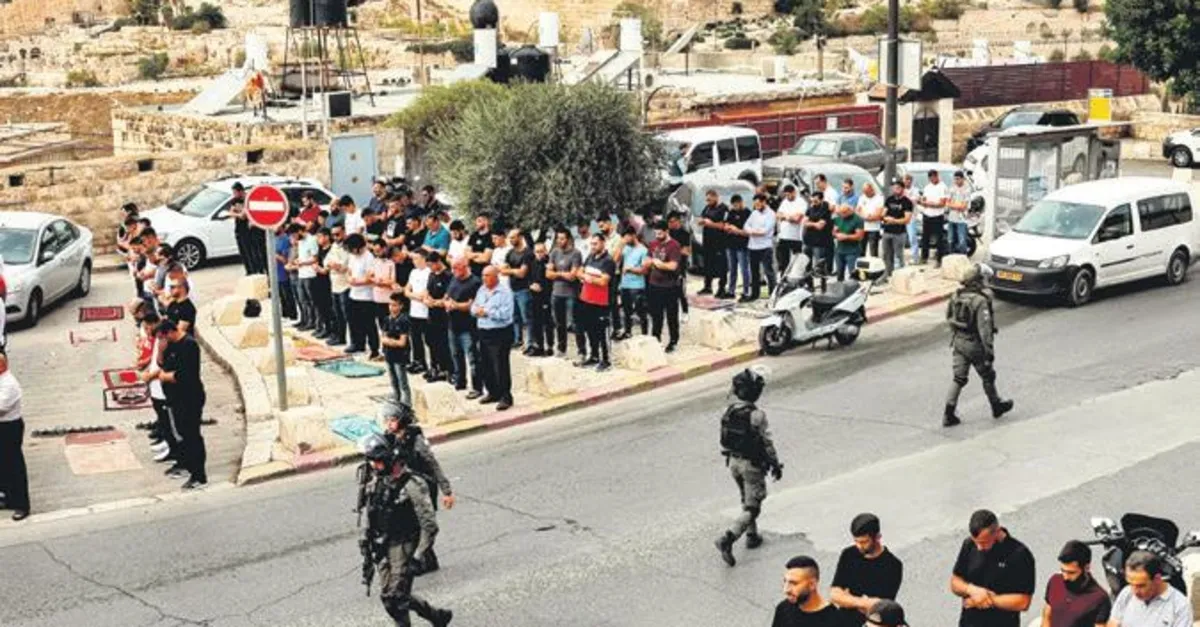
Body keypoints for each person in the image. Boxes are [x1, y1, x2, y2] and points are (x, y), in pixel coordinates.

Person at [357, 435, 454, 627]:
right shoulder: (377, 481)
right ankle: (436, 616)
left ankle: (431, 617)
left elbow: (429, 525)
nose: (373, 466)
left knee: (396, 598)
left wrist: (419, 555)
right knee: (389, 597)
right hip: (383, 544)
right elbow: (370, 512)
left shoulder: (411, 484)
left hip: (404, 544)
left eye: (377, 461)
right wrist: (366, 542)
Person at [715, 367, 783, 567]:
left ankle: (752, 535)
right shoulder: (757, 415)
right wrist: (775, 463)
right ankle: (728, 538)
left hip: (733, 463)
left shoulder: (727, 411)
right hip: (751, 466)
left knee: (745, 498)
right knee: (753, 507)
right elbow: (767, 443)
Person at [380, 402, 456, 573]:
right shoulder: (390, 438)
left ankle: (420, 558)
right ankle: (428, 560)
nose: (389, 424)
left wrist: (447, 491)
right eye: (386, 420)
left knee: (425, 523)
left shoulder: (416, 439)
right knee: (413, 524)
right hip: (406, 488)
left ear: (401, 420)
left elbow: (433, 464)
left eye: (392, 420)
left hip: (424, 487)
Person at [944, 263, 1014, 427]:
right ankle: (996, 405)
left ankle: (948, 413)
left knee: (959, 378)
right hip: (975, 345)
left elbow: (948, 317)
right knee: (988, 375)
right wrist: (989, 352)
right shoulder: (980, 301)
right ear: (977, 281)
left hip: (958, 342)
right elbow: (985, 330)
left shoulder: (956, 296)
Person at [950, 509, 1036, 627]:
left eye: (984, 542)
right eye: (976, 542)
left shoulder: (1020, 554)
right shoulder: (969, 544)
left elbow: (1023, 602)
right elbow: (955, 582)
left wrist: (986, 600)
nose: (979, 547)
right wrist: (972, 590)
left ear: (997, 532)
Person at [154, 320, 208, 490]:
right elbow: (163, 364)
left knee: (192, 435)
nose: (162, 341)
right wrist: (160, 350)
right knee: (182, 433)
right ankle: (188, 466)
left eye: (163, 338)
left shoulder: (189, 345)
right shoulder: (170, 345)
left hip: (189, 398)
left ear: (170, 332)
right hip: (175, 399)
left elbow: (187, 375)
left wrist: (166, 377)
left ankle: (199, 475)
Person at [830, 513, 904, 624]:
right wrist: (864, 602)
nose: (859, 546)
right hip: (843, 621)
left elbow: (880, 609)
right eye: (856, 541)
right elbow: (834, 595)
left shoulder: (893, 565)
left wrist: (847, 599)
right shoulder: (849, 554)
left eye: (864, 542)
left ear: (878, 537)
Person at [1107, 551, 1191, 627]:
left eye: (1141, 586)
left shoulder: (1180, 606)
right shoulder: (1126, 593)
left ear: (1157, 579)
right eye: (1131, 584)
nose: (1135, 591)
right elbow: (1113, 623)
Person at [1041, 540, 1111, 627]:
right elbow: (1047, 615)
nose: (1065, 577)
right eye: (1063, 571)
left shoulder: (1100, 598)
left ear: (1086, 568)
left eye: (1071, 573)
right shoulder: (1055, 581)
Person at [473, 266, 515, 410]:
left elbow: (506, 314)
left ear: (496, 277)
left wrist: (486, 312)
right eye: (483, 275)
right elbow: (474, 307)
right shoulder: (481, 290)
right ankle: (492, 392)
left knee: (500, 365)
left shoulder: (505, 292)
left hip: (500, 332)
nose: (484, 278)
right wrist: (477, 311)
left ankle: (505, 396)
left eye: (487, 275)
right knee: (485, 364)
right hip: (483, 331)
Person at [772, 555, 856, 627]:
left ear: (812, 584)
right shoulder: (783, 608)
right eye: (785, 581)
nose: (786, 590)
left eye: (794, 583)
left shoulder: (835, 620)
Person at [444, 258, 484, 399]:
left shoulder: (475, 282)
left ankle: (477, 387)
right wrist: (447, 303)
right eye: (452, 268)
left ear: (465, 266)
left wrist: (456, 305)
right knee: (456, 355)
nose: (453, 270)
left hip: (468, 326)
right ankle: (460, 381)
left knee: (473, 358)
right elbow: (447, 295)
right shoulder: (454, 279)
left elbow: (472, 305)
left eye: (456, 267)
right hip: (453, 324)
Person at [576, 233, 615, 371]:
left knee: (601, 331)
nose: (592, 246)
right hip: (586, 299)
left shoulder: (608, 261)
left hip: (601, 301)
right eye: (591, 244)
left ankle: (606, 360)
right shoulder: (590, 257)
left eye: (595, 243)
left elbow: (604, 281)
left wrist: (589, 278)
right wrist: (587, 276)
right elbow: (578, 272)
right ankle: (594, 356)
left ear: (603, 243)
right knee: (590, 329)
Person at [547, 228, 584, 358]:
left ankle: (581, 351)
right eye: (558, 238)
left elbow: (572, 276)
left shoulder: (576, 253)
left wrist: (556, 273)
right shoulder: (554, 253)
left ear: (568, 239)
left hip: (571, 293)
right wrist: (563, 274)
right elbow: (548, 274)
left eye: (562, 238)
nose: (559, 241)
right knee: (559, 323)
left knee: (575, 323)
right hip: (556, 293)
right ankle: (561, 349)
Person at [0, 353, 29, 521]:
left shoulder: (9, 384)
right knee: (3, 465)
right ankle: (9, 497)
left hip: (9, 427)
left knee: (14, 465)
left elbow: (1, 407)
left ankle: (22, 504)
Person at [647, 220, 683, 353]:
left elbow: (673, 266)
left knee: (671, 316)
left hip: (670, 286)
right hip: (654, 284)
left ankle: (673, 341)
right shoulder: (653, 244)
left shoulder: (674, 245)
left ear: (667, 231)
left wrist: (658, 264)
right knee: (656, 315)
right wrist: (650, 263)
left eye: (660, 233)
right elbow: (647, 260)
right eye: (656, 233)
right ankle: (655, 339)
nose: (657, 236)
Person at [346, 234, 381, 358]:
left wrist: (357, 282)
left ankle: (374, 349)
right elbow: (349, 270)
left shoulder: (368, 257)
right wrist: (349, 279)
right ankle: (357, 344)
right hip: (353, 294)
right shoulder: (352, 256)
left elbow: (370, 277)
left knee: (368, 324)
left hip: (366, 296)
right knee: (354, 322)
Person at [422, 252, 453, 383]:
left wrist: (435, 303)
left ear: (438, 262)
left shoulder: (448, 276)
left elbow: (448, 296)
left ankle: (448, 370)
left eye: (431, 265)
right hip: (431, 314)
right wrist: (426, 299)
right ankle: (435, 367)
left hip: (443, 316)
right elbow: (427, 291)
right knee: (432, 342)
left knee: (443, 343)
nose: (430, 268)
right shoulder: (432, 275)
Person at [502, 228, 534, 348]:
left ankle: (530, 343)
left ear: (520, 237)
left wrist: (510, 271)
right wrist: (514, 271)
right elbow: (503, 270)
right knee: (515, 317)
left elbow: (522, 273)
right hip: (512, 288)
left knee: (527, 318)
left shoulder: (527, 253)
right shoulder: (510, 253)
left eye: (513, 237)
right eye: (509, 238)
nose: (510, 240)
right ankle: (517, 340)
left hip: (524, 289)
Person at [616, 226, 649, 339]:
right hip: (624, 284)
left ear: (633, 235)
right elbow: (616, 260)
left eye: (627, 237)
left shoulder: (643, 250)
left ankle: (644, 334)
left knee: (641, 311)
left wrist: (630, 269)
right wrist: (620, 246)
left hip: (637, 286)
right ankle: (627, 332)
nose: (625, 240)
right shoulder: (625, 248)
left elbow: (644, 270)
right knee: (626, 311)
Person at [380, 293, 412, 405]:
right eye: (390, 305)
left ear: (400, 306)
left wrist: (390, 341)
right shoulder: (387, 319)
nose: (391, 308)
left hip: (400, 355)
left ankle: (406, 404)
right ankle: (397, 401)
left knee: (402, 381)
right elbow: (383, 338)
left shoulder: (403, 320)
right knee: (393, 381)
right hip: (388, 354)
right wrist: (391, 342)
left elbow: (402, 342)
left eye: (394, 305)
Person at [697, 190, 729, 298]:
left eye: (710, 199)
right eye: (707, 200)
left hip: (719, 241)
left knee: (721, 265)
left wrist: (711, 224)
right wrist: (701, 221)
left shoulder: (723, 208)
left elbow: (724, 225)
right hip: (707, 241)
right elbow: (702, 217)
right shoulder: (707, 208)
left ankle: (722, 288)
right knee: (708, 264)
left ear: (716, 197)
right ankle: (707, 286)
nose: (708, 202)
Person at [405, 249, 432, 375]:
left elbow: (425, 293)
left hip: (425, 312)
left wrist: (413, 295)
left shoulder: (429, 272)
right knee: (415, 339)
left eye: (416, 258)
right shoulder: (413, 272)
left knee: (429, 340)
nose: (413, 261)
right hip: (414, 310)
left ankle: (433, 365)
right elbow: (407, 290)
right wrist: (413, 295)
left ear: (423, 258)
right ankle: (419, 362)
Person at [881, 180, 914, 280]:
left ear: (902, 189)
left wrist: (894, 220)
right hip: (887, 231)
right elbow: (883, 213)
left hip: (899, 233)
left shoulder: (907, 202)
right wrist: (885, 218)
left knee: (899, 255)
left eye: (897, 188)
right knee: (886, 255)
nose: (895, 190)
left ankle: (901, 276)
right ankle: (887, 274)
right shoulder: (889, 199)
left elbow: (907, 219)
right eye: (894, 188)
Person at [323, 225, 351, 346]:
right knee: (337, 313)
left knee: (347, 315)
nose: (335, 237)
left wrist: (335, 265)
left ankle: (352, 341)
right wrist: (332, 265)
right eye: (333, 235)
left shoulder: (347, 246)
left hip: (345, 284)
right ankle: (340, 337)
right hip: (334, 283)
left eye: (338, 234)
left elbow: (344, 265)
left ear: (344, 232)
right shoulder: (334, 246)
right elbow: (326, 261)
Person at [527, 241, 553, 356]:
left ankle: (550, 346)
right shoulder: (532, 263)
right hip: (534, 296)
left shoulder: (549, 263)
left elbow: (550, 280)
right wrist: (531, 285)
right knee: (536, 322)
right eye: (537, 252)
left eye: (541, 251)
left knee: (547, 322)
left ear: (545, 251)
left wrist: (542, 287)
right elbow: (528, 278)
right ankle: (539, 346)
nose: (539, 254)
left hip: (546, 296)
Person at [292, 223, 320, 331]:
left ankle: (314, 322)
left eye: (294, 235)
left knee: (312, 301)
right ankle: (305, 320)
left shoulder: (311, 240)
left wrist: (303, 263)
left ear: (300, 231)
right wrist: (298, 261)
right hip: (301, 273)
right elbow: (303, 256)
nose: (294, 238)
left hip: (310, 274)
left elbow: (315, 258)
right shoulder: (300, 242)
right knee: (303, 300)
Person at [918, 170, 948, 267]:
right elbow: (923, 200)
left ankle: (939, 259)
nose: (932, 179)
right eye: (930, 177)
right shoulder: (927, 187)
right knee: (925, 238)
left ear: (937, 176)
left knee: (939, 239)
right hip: (927, 215)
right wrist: (923, 202)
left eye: (934, 177)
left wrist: (930, 204)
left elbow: (942, 203)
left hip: (938, 216)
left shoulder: (943, 187)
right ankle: (924, 257)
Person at [776, 185, 807, 275]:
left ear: (794, 192)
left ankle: (798, 278)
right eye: (786, 195)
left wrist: (784, 217)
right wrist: (789, 217)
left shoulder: (801, 202)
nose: (787, 197)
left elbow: (797, 219)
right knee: (783, 261)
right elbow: (778, 215)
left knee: (797, 261)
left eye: (789, 195)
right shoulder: (785, 202)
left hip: (795, 236)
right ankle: (784, 277)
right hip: (783, 235)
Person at [725, 195, 752, 300]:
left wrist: (736, 229)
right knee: (732, 269)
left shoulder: (747, 213)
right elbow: (727, 223)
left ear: (741, 202)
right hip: (730, 244)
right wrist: (727, 227)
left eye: (736, 205)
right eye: (733, 205)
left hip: (742, 245)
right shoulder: (731, 212)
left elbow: (747, 230)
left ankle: (746, 291)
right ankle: (731, 290)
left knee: (744, 269)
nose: (735, 207)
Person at [667, 212, 692, 323]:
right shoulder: (668, 233)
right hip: (668, 264)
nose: (670, 224)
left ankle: (685, 312)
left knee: (681, 291)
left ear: (678, 221)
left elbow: (687, 251)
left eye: (672, 222)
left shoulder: (685, 234)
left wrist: (674, 251)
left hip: (680, 265)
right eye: (669, 222)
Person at [311, 227, 336, 340]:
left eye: (320, 237)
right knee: (321, 306)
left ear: (327, 237)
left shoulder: (332, 249)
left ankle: (333, 330)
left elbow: (328, 267)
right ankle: (325, 328)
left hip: (328, 281)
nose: (318, 239)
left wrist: (321, 269)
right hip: (319, 279)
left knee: (329, 307)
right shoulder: (320, 249)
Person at [803, 191, 834, 278]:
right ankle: (809, 282)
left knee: (820, 267)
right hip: (808, 241)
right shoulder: (810, 208)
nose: (813, 203)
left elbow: (820, 226)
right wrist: (814, 224)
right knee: (806, 266)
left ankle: (822, 283)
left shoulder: (825, 210)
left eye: (816, 201)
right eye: (812, 201)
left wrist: (810, 223)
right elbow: (804, 222)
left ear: (821, 200)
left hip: (819, 242)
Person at [831, 202, 865, 282]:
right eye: (841, 212)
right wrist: (836, 234)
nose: (842, 215)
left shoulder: (858, 220)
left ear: (850, 211)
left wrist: (846, 237)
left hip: (852, 251)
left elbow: (860, 236)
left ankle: (854, 287)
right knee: (839, 274)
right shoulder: (838, 218)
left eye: (844, 212)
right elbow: (833, 232)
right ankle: (840, 286)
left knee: (853, 274)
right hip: (839, 250)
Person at [947, 171, 973, 255]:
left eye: (958, 179)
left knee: (962, 240)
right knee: (950, 239)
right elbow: (947, 203)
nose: (956, 181)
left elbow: (964, 206)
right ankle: (951, 256)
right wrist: (957, 206)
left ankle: (963, 256)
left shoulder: (967, 189)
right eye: (955, 179)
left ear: (962, 179)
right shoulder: (952, 188)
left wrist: (953, 205)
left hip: (962, 219)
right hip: (951, 218)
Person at [856, 182, 885, 258]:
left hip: (874, 228)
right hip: (862, 228)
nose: (865, 193)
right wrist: (865, 217)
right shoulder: (862, 198)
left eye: (867, 191)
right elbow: (858, 211)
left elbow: (878, 214)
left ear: (872, 190)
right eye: (864, 191)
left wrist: (870, 218)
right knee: (860, 251)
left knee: (873, 251)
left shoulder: (879, 198)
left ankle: (874, 265)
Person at [903, 174, 922, 263]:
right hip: (901, 217)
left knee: (912, 237)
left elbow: (913, 201)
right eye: (906, 179)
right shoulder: (901, 189)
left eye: (909, 179)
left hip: (911, 217)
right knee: (900, 238)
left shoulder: (915, 190)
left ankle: (915, 258)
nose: (907, 181)